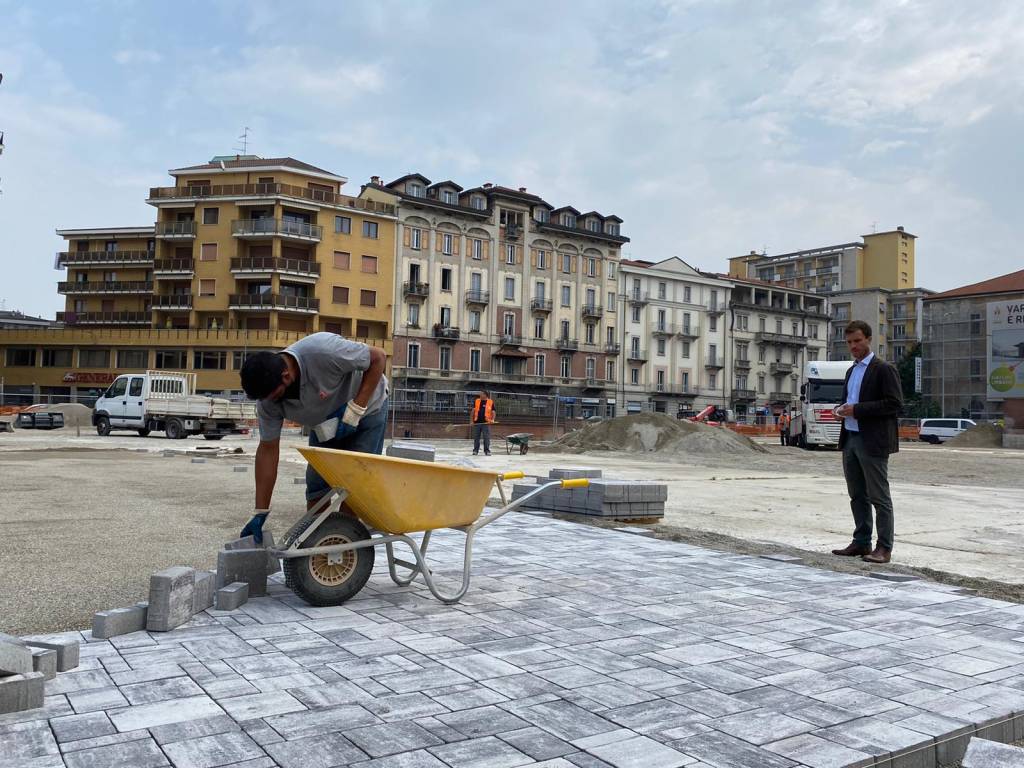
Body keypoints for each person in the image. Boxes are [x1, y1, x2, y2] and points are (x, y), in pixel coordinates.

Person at [238, 332, 389, 543]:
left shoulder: (322, 351)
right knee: (317, 487)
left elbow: (379, 357)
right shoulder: (267, 401)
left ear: (286, 376)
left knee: (353, 488)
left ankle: (346, 546)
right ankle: (318, 542)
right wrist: (260, 510)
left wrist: (356, 408)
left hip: (368, 411)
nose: (270, 403)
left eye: (274, 396)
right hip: (326, 424)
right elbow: (268, 450)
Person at [831, 320, 903, 564]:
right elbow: (849, 402)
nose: (853, 346)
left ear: (869, 339)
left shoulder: (883, 369)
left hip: (872, 440)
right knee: (857, 495)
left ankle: (884, 548)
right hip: (850, 437)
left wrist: (857, 410)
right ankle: (862, 542)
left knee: (879, 497)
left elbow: (894, 404)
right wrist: (840, 410)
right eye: (849, 342)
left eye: (858, 341)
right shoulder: (851, 371)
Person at [471, 390, 495, 456]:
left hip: (486, 423)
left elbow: (493, 412)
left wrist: (492, 419)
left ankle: (487, 451)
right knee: (476, 437)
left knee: (486, 437)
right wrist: (471, 421)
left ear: (485, 395)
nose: (480, 395)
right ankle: (475, 450)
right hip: (477, 423)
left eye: (481, 394)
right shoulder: (477, 401)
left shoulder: (490, 402)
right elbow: (473, 411)